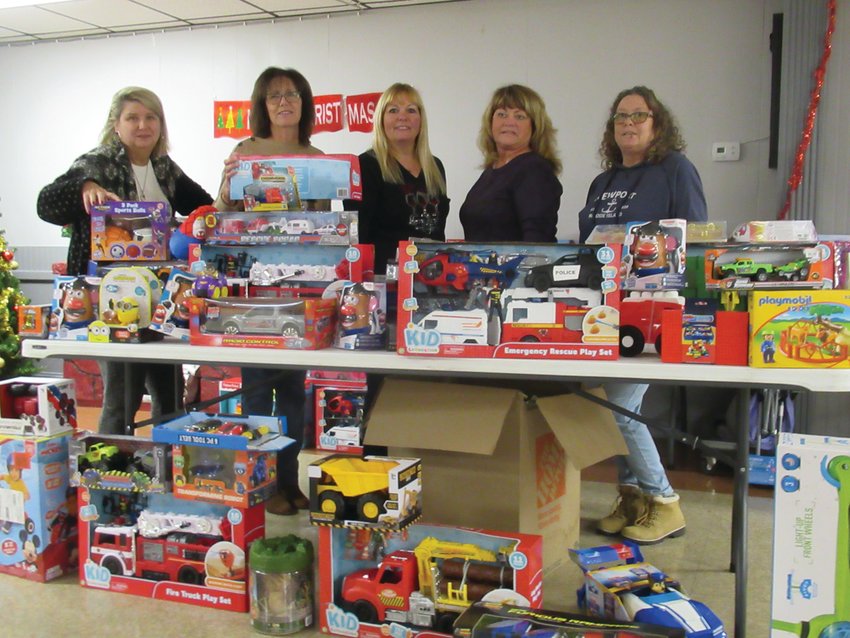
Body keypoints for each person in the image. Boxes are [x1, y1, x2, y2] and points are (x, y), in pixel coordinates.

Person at [37, 86, 213, 435]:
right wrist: (85, 187)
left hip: (160, 302)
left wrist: (188, 224)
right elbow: (46, 205)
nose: (142, 125)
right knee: (123, 396)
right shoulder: (97, 162)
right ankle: (110, 476)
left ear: (161, 126)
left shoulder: (163, 167)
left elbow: (203, 206)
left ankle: (167, 470)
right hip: (112, 302)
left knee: (169, 396)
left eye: (151, 117)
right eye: (132, 117)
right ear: (115, 125)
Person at [579, 85, 707, 544]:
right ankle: (633, 497)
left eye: (638, 115)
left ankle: (665, 499)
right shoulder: (604, 181)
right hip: (607, 305)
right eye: (620, 117)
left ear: (657, 122)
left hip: (655, 305)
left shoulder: (674, 170)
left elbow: (695, 236)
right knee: (612, 403)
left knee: (621, 407)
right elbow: (588, 244)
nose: (628, 124)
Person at [214, 67, 321, 516]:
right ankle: (261, 483)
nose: (284, 102)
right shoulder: (245, 151)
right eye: (274, 95)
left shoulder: (316, 156)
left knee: (295, 391)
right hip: (254, 289)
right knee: (258, 389)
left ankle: (290, 477)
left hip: (300, 288)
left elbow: (322, 224)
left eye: (292, 94)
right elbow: (223, 214)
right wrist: (225, 187)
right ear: (262, 104)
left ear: (304, 103)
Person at [344, 82, 449, 274]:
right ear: (381, 119)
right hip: (384, 279)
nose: (403, 116)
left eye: (411, 110)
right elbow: (358, 236)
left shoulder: (435, 167)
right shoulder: (365, 166)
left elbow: (437, 231)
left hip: (430, 275)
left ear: (420, 119)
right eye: (393, 110)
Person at [460, 84, 562, 242]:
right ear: (490, 121)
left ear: (535, 126)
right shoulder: (492, 170)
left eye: (520, 116)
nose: (509, 122)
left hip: (514, 267)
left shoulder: (534, 170)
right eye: (501, 114)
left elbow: (538, 240)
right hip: (482, 266)